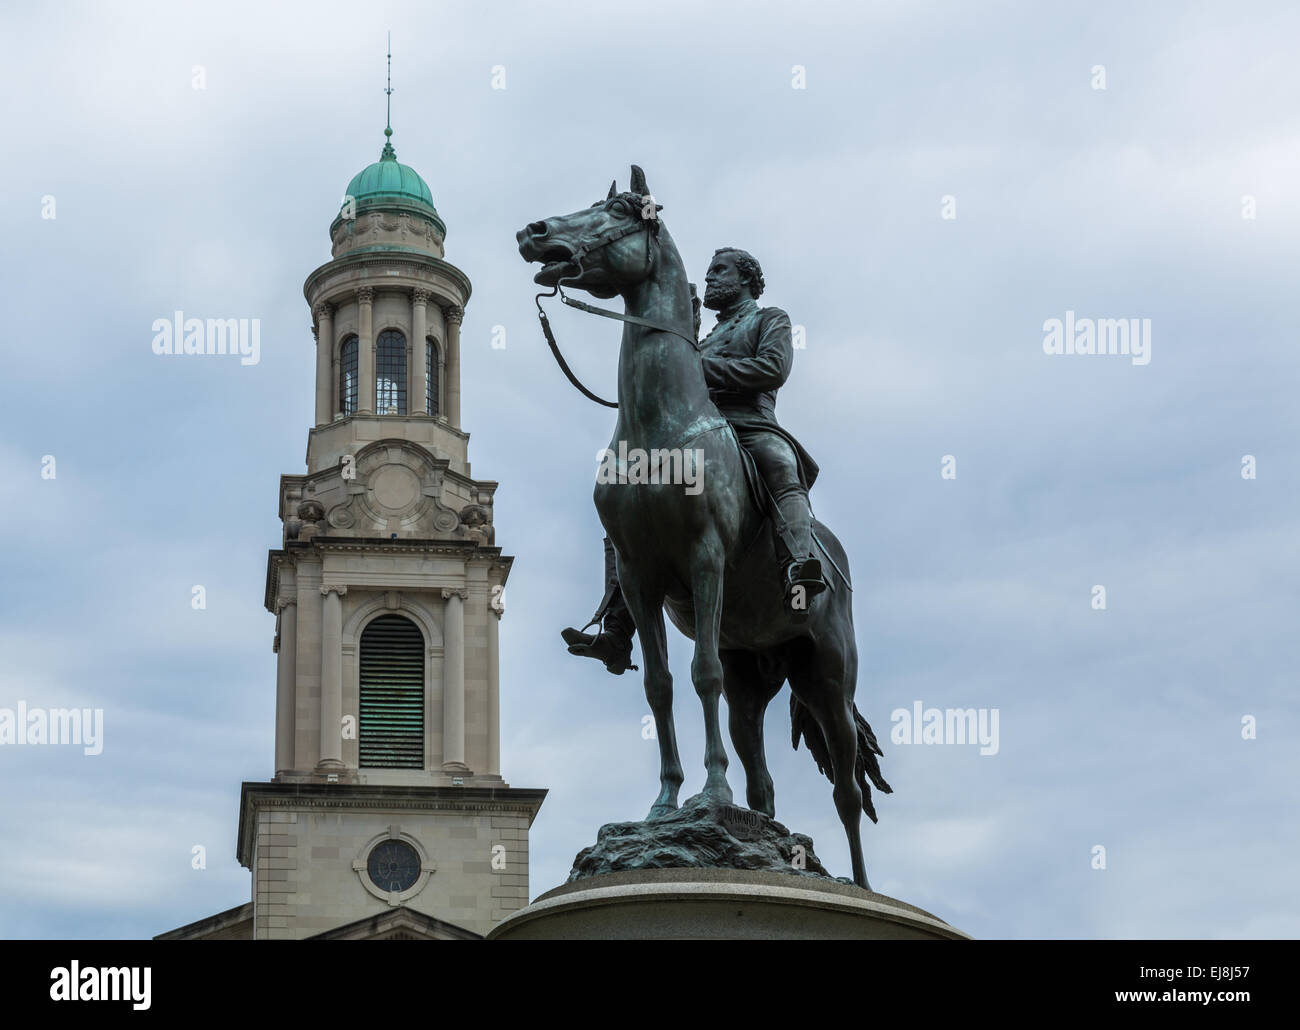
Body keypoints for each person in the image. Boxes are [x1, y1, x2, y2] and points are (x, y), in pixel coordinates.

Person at [562, 247, 824, 674]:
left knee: (781, 464)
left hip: (750, 426)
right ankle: (617, 632)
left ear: (746, 278)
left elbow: (772, 369)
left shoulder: (768, 319)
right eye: (709, 272)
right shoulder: (702, 337)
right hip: (696, 432)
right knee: (629, 498)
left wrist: (699, 367)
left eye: (720, 271)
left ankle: (798, 566)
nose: (710, 279)